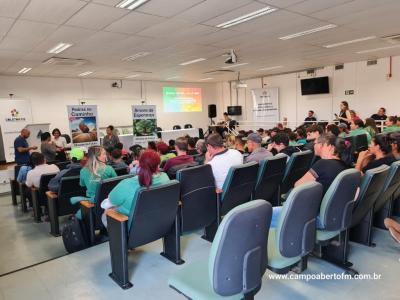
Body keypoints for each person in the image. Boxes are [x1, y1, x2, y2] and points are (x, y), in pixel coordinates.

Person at [270, 134, 352, 228]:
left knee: (265, 216)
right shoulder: (344, 165)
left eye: (316, 143)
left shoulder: (323, 164)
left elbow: (298, 185)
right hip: (335, 216)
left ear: (326, 146)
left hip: (315, 216)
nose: (314, 145)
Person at [102, 150, 170, 223]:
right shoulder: (165, 177)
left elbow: (107, 203)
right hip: (158, 221)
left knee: (106, 212)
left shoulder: (127, 183)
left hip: (129, 226)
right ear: (158, 165)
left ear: (139, 164)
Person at [71, 146, 117, 218]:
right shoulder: (109, 169)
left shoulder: (83, 171)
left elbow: (82, 185)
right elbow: (116, 183)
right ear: (97, 157)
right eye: (104, 154)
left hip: (92, 202)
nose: (106, 156)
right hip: (107, 201)